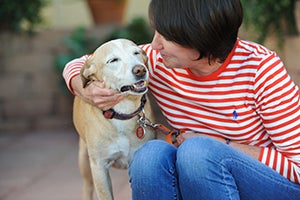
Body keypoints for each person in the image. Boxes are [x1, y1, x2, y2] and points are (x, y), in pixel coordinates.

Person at [63, 0, 300, 199]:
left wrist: (218, 145)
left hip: (273, 186)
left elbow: (297, 168)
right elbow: (79, 64)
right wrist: (84, 89)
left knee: (196, 152)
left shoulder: (261, 70)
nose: (154, 45)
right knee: (149, 157)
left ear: (199, 38)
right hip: (207, 178)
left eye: (164, 35)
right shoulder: (156, 61)